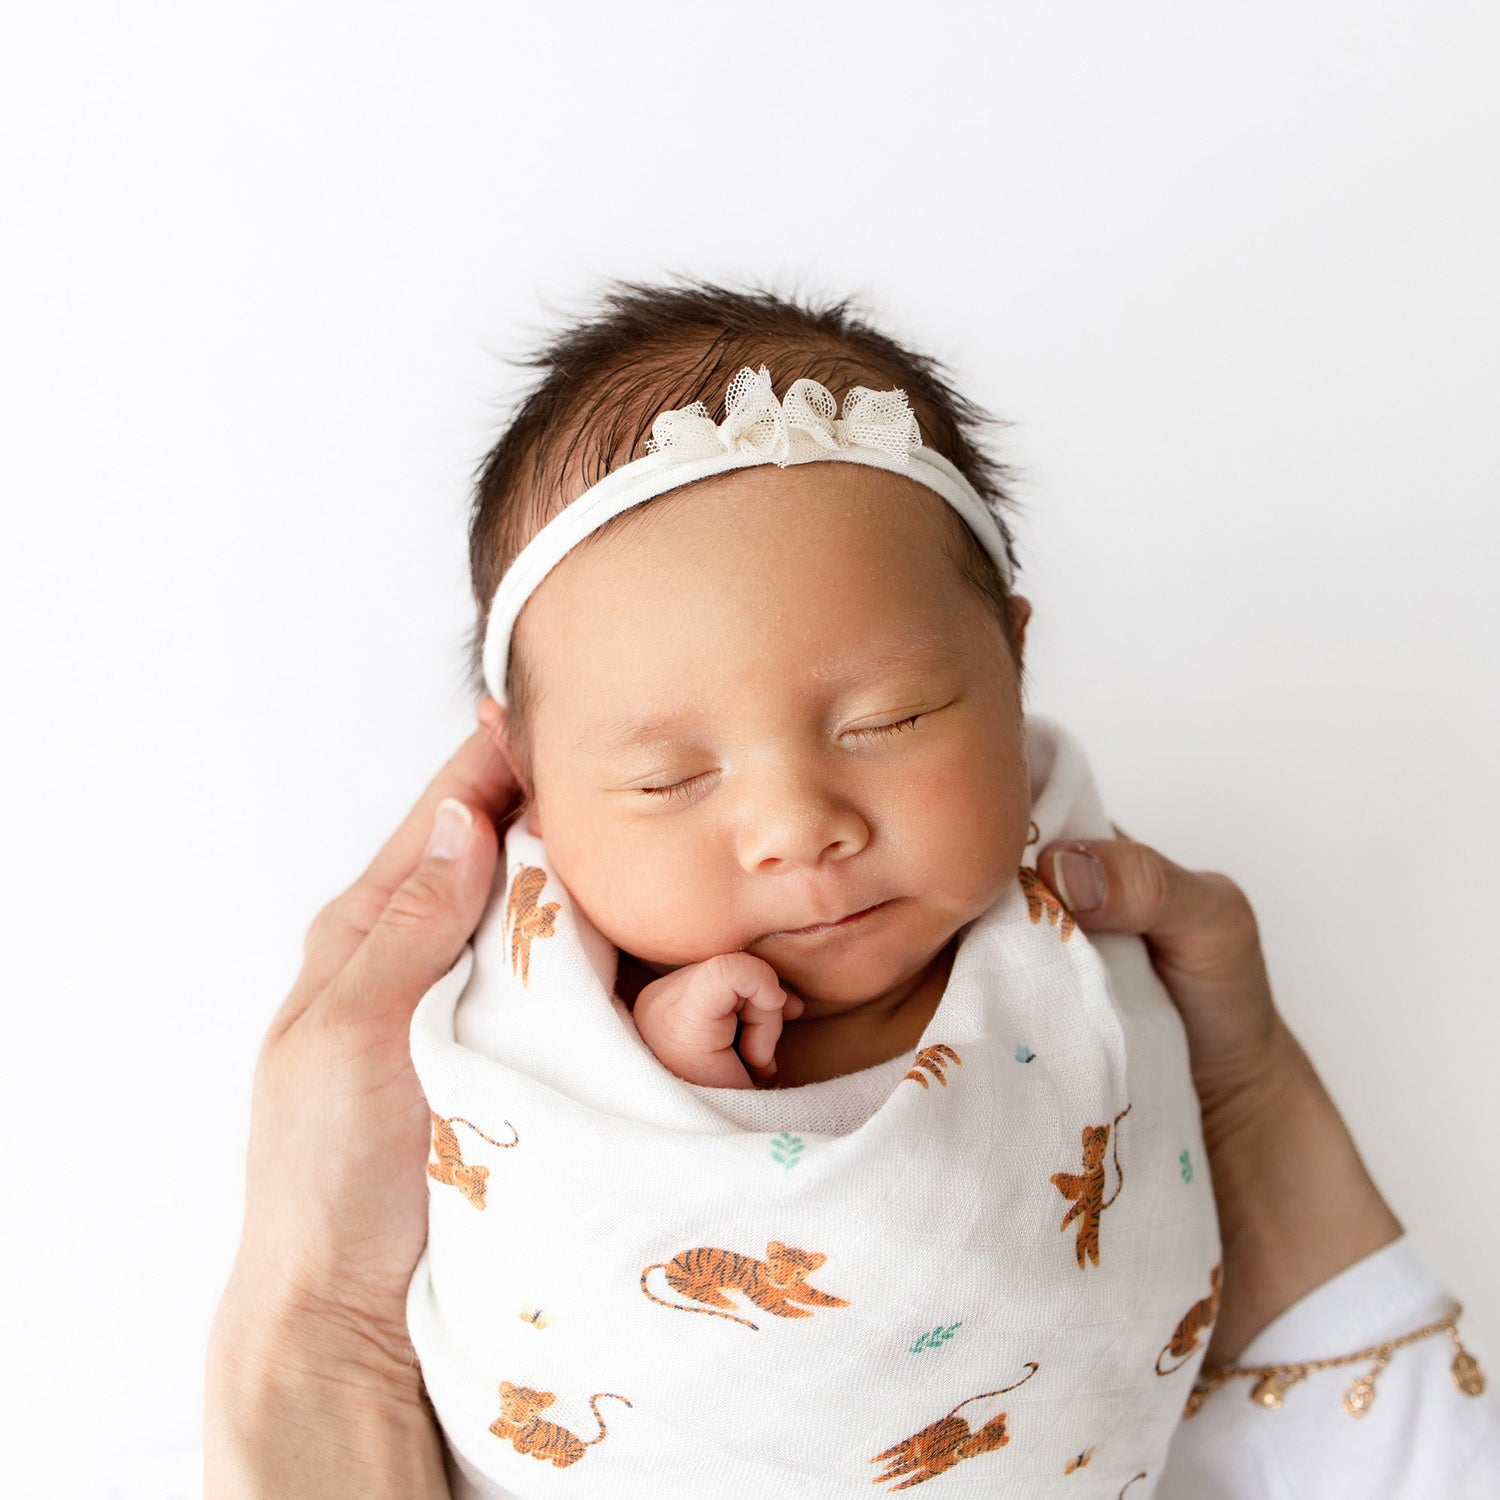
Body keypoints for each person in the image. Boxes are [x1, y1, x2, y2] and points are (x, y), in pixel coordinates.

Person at [207, 286, 1498, 1498]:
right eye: (666, 779)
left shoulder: (1086, 917)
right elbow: (564, 1200)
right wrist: (653, 1065)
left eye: (891, 720)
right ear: (526, 773)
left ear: (1013, 662)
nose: (797, 830)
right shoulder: (529, 996)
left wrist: (1250, 1085)